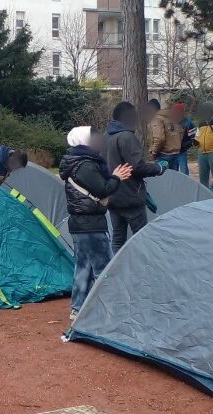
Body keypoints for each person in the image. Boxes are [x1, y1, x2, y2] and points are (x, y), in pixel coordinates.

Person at [59, 126, 131, 321]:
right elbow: (103, 189)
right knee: (103, 268)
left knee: (83, 267)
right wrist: (117, 177)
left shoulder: (76, 163)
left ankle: (78, 309)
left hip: (79, 224)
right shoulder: (86, 165)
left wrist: (113, 176)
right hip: (91, 224)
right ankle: (108, 312)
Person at [105, 101, 167, 253]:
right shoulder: (126, 137)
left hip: (112, 196)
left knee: (118, 238)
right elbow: (137, 167)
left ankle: (115, 271)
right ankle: (143, 271)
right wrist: (159, 168)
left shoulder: (105, 137)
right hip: (130, 197)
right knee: (141, 238)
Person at [149, 103, 185, 169]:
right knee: (172, 178)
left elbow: (159, 138)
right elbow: (181, 133)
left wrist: (154, 152)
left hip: (163, 154)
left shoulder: (157, 119)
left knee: (161, 178)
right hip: (176, 153)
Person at [176, 103, 196, 175]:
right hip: (171, 153)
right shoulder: (169, 122)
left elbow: (193, 138)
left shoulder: (189, 123)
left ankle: (185, 186)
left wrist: (183, 146)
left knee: (184, 172)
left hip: (182, 152)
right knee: (172, 173)